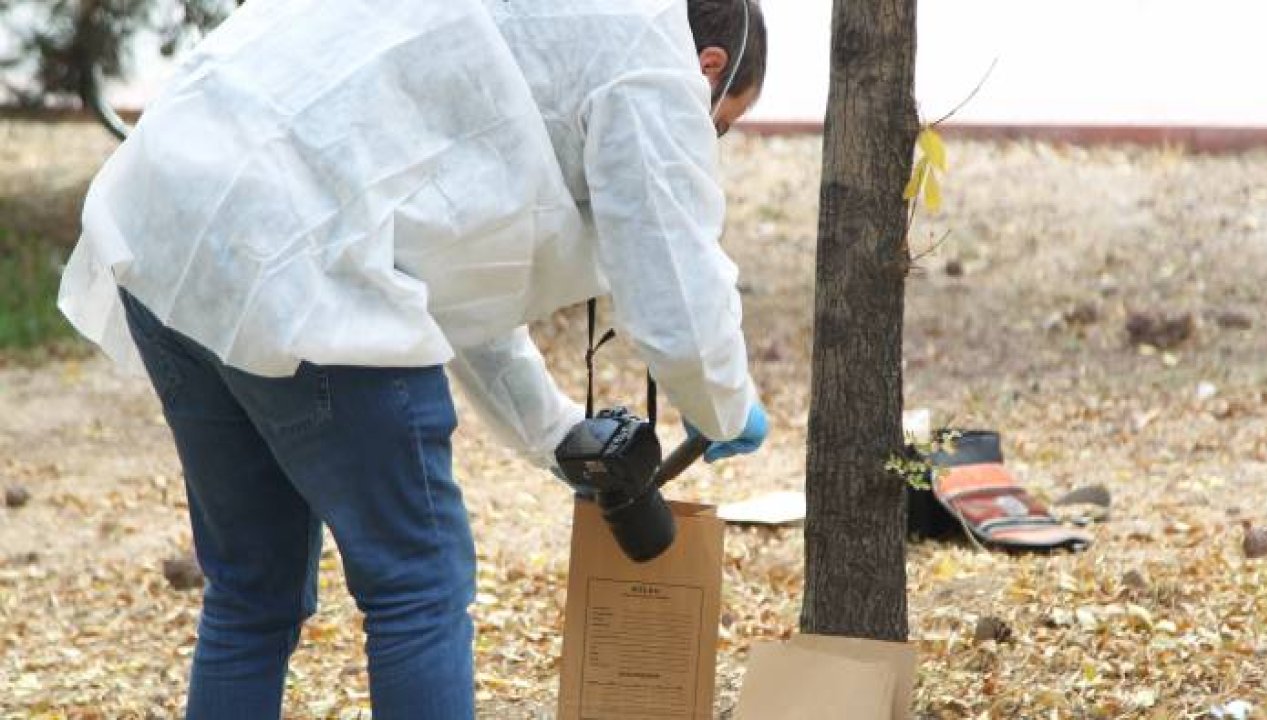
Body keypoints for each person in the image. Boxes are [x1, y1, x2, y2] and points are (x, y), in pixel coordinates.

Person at [57, 0, 770, 717]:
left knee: (250, 590)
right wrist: (724, 403)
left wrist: (556, 436)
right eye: (720, 125)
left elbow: (454, 269)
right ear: (710, 68)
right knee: (417, 584)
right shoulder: (653, 52)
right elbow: (671, 272)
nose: (705, 140)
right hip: (296, 253)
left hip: (163, 219)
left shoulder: (540, 31)